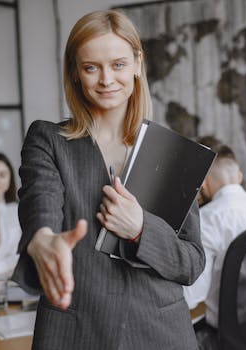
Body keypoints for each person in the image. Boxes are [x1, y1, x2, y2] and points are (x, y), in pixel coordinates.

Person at [11, 10, 204, 350]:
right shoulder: (49, 140)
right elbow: (39, 201)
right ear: (75, 72)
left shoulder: (172, 152)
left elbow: (191, 262)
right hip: (77, 332)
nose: (106, 79)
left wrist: (142, 228)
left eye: (117, 64)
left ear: (137, 64)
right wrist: (42, 239)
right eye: (91, 67)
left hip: (160, 333)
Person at [183, 136, 246, 328]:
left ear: (202, 183)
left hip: (228, 334)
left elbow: (192, 297)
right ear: (239, 177)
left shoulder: (206, 220)